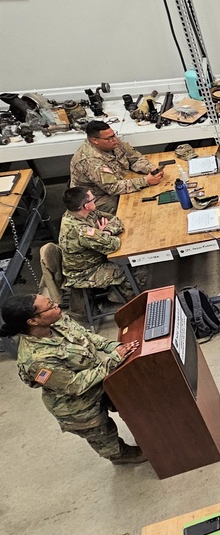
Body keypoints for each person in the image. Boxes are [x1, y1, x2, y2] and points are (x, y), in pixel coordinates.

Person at [0, 294, 145, 464]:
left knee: (133, 406)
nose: (56, 305)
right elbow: (74, 385)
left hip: (98, 381)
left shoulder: (57, 321)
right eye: (50, 306)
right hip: (78, 406)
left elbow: (86, 336)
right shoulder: (36, 360)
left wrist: (112, 346)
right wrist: (112, 360)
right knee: (106, 437)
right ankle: (123, 456)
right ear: (33, 321)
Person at [58, 187, 132, 303]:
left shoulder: (83, 213)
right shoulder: (80, 230)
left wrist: (106, 232)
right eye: (93, 199)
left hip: (95, 258)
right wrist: (105, 234)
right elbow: (114, 244)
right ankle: (121, 297)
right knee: (133, 267)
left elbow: (115, 219)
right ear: (86, 206)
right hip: (86, 272)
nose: (95, 200)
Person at [69, 122, 163, 213]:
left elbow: (134, 158)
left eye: (114, 135)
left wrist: (150, 168)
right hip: (95, 199)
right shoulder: (90, 160)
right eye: (109, 138)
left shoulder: (113, 142)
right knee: (136, 207)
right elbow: (113, 188)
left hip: (119, 181)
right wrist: (145, 181)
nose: (114, 139)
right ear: (95, 140)